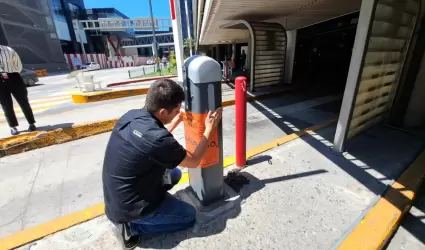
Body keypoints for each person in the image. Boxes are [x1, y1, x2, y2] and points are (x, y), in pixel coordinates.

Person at [102, 78, 222, 250]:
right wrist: (209, 128)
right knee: (189, 216)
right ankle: (132, 228)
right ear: (163, 112)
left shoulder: (132, 116)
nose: (179, 110)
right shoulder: (159, 140)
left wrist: (176, 121)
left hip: (117, 197)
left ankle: (155, 207)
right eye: (177, 109)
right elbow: (194, 161)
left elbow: (150, 140)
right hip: (130, 209)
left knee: (175, 174)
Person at [0, 45, 36, 135]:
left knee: (24, 102)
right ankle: (13, 127)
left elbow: (18, 65)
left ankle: (31, 123)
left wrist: (11, 73)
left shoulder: (8, 50)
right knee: (6, 105)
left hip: (14, 77)